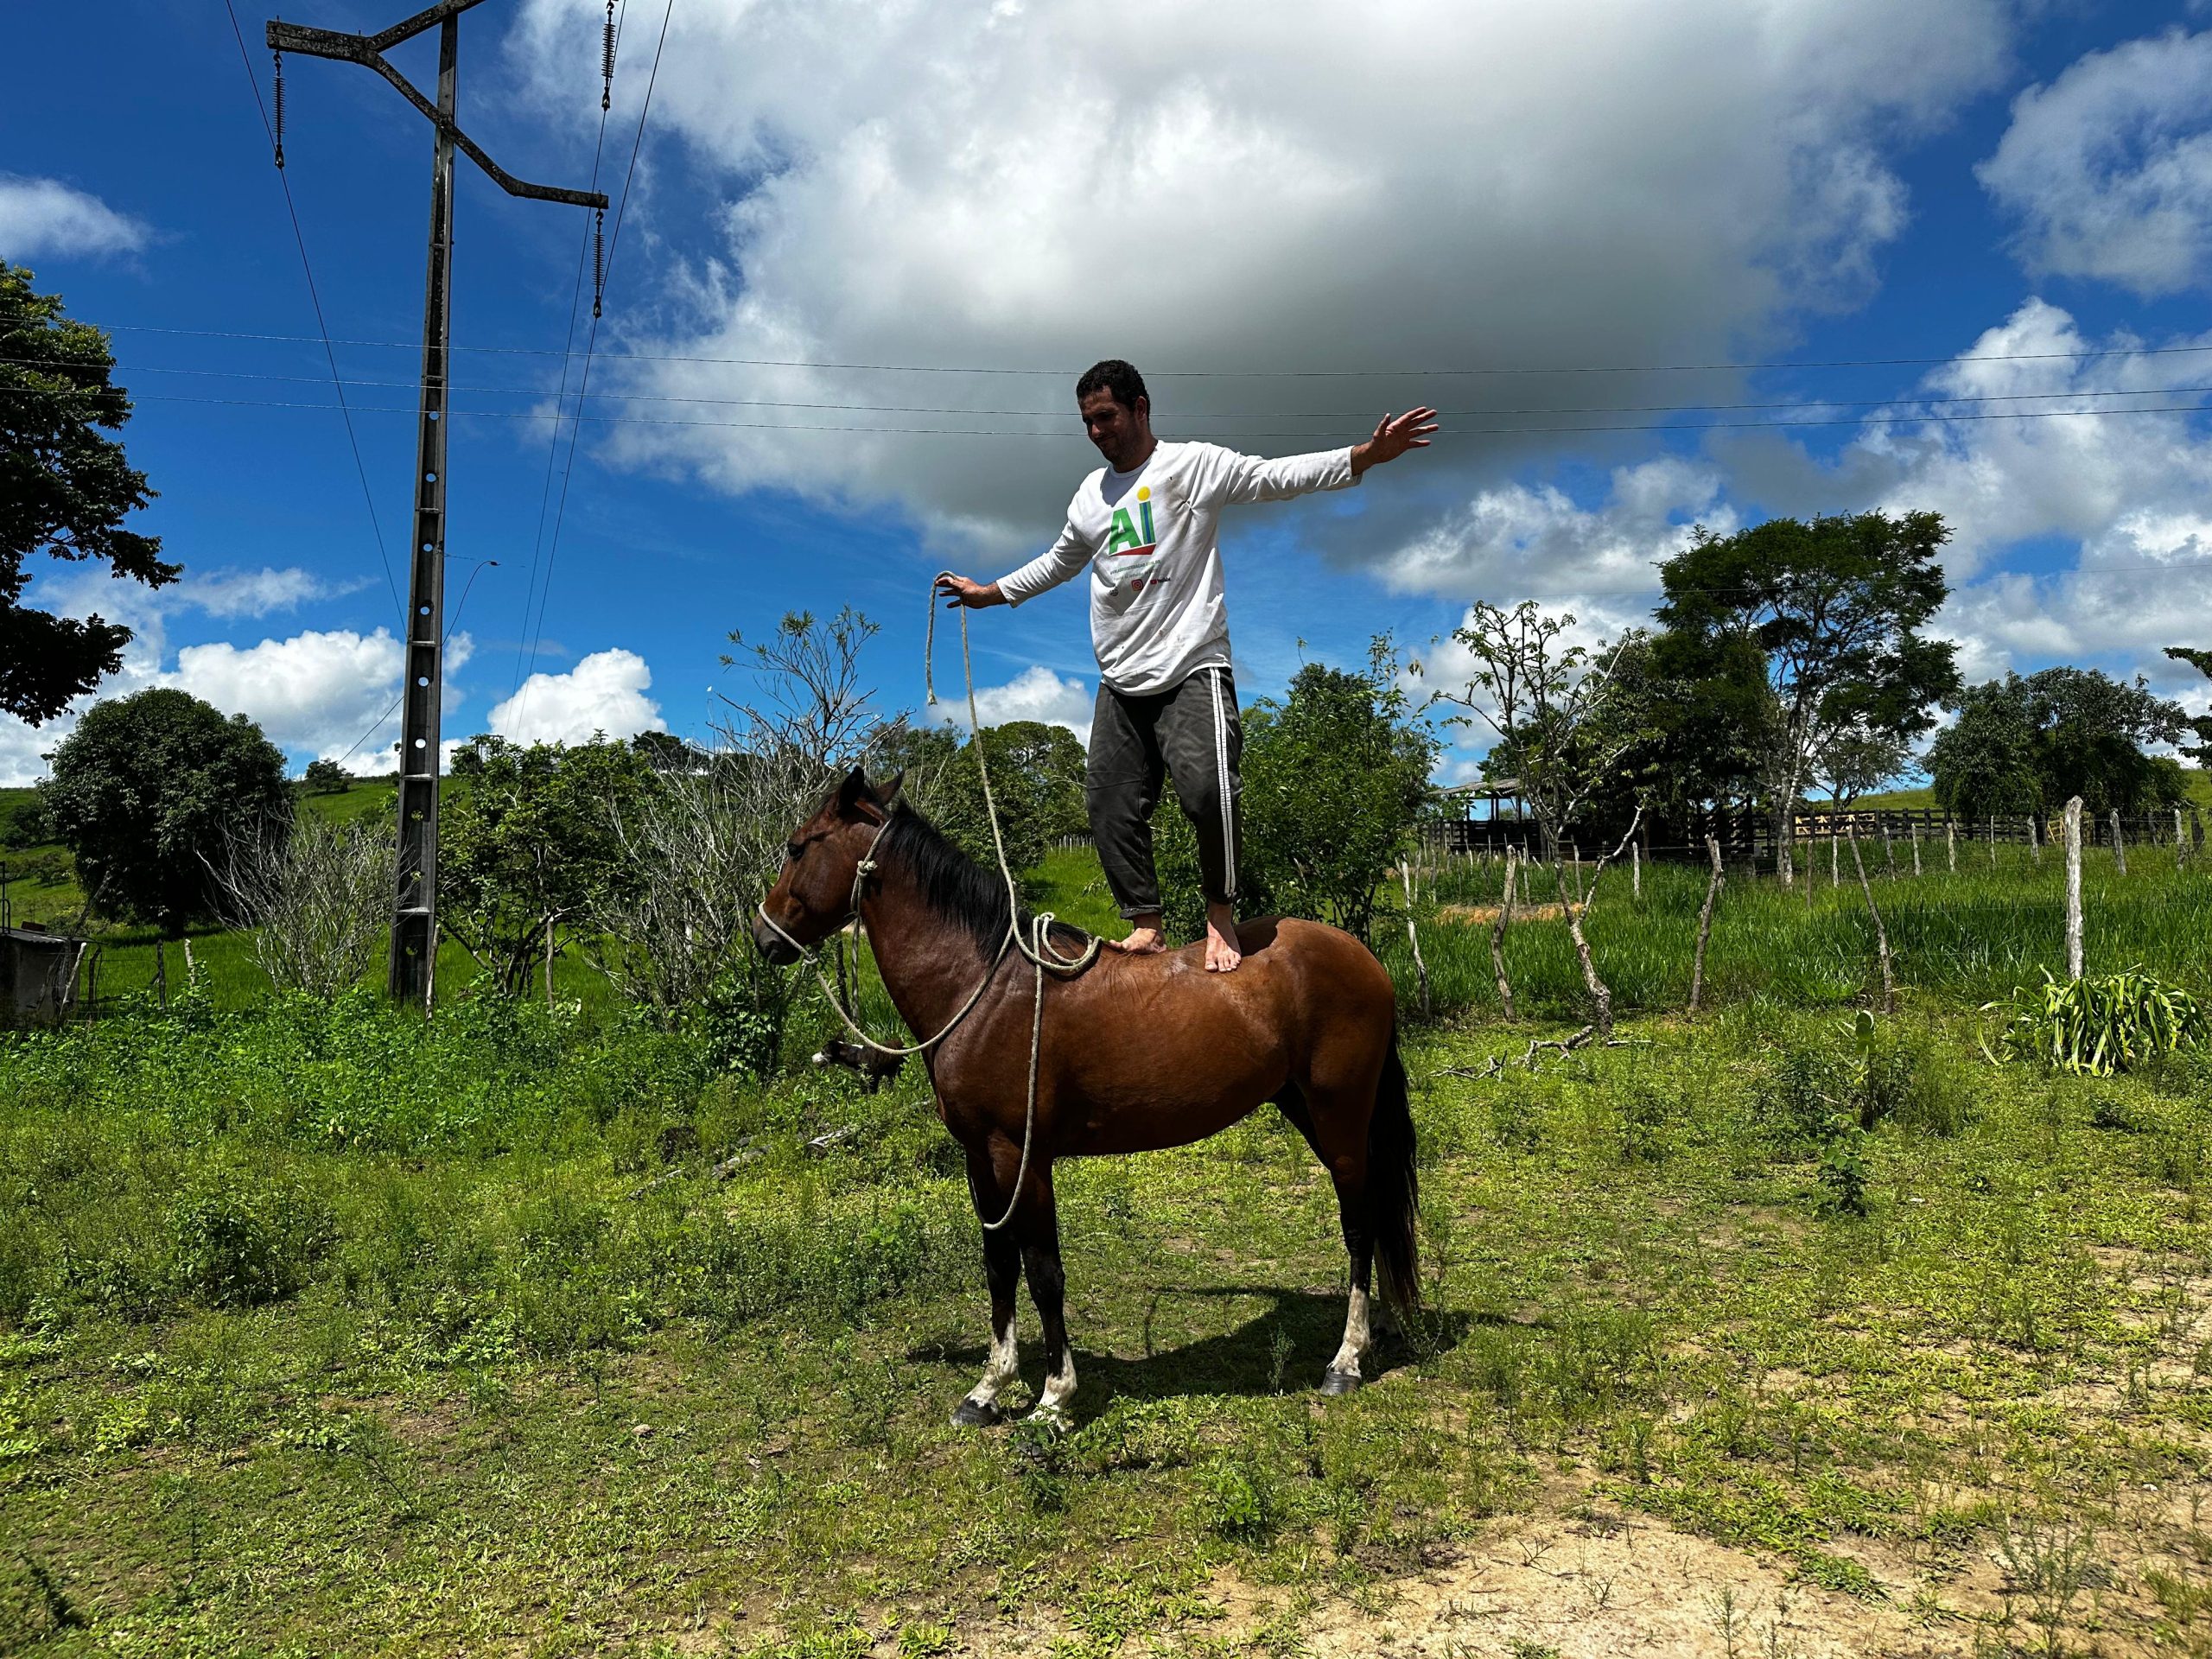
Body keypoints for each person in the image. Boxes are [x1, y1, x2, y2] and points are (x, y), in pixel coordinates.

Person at [937, 360, 1436, 972]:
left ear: (1140, 408)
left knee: (1208, 790)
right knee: (1107, 803)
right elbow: (1058, 561)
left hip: (1192, 665)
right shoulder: (1090, 497)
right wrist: (991, 592)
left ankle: (1220, 913)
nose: (1098, 432)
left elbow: (1273, 477)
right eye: (1088, 422)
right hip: (1121, 678)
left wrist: (1363, 456)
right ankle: (1146, 924)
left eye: (1108, 417)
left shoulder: (1190, 465)